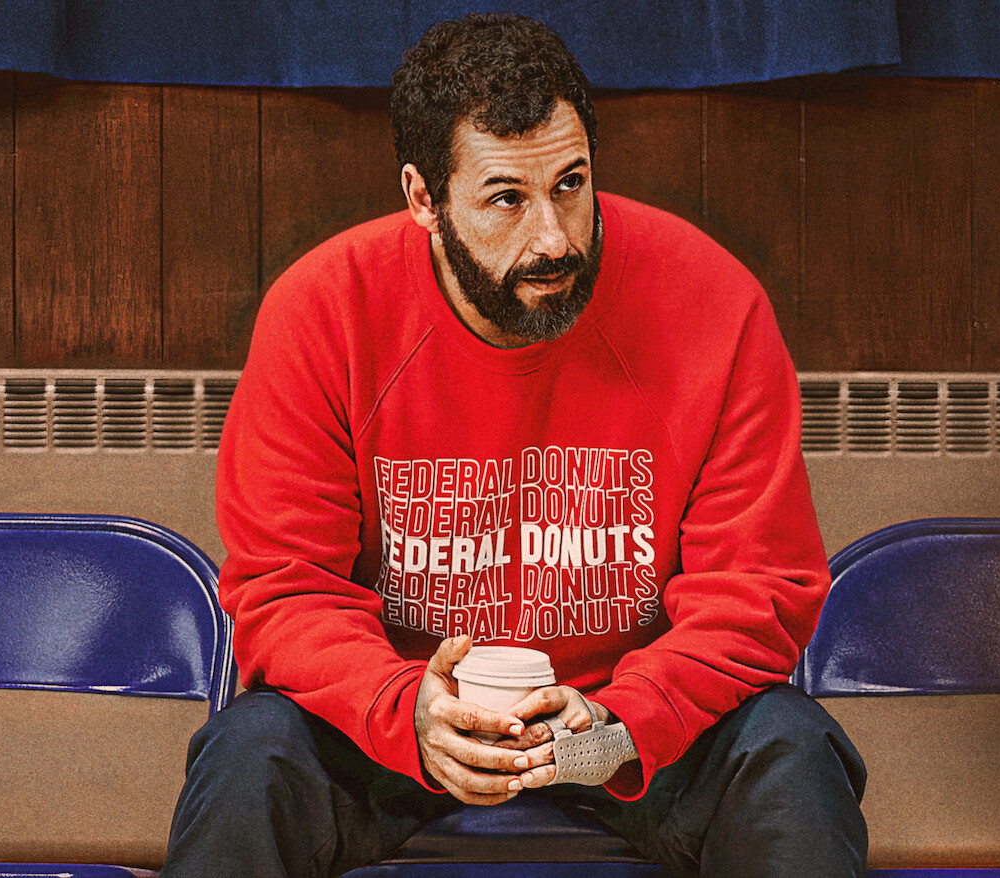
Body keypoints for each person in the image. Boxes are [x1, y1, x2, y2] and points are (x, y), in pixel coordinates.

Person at [161, 13, 867, 878]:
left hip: (632, 724)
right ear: (424, 199)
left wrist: (625, 720)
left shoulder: (715, 303)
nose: (554, 238)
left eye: (571, 184)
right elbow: (286, 584)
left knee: (791, 747)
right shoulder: (322, 312)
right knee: (250, 754)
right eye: (507, 198)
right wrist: (404, 708)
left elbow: (757, 586)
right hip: (404, 717)